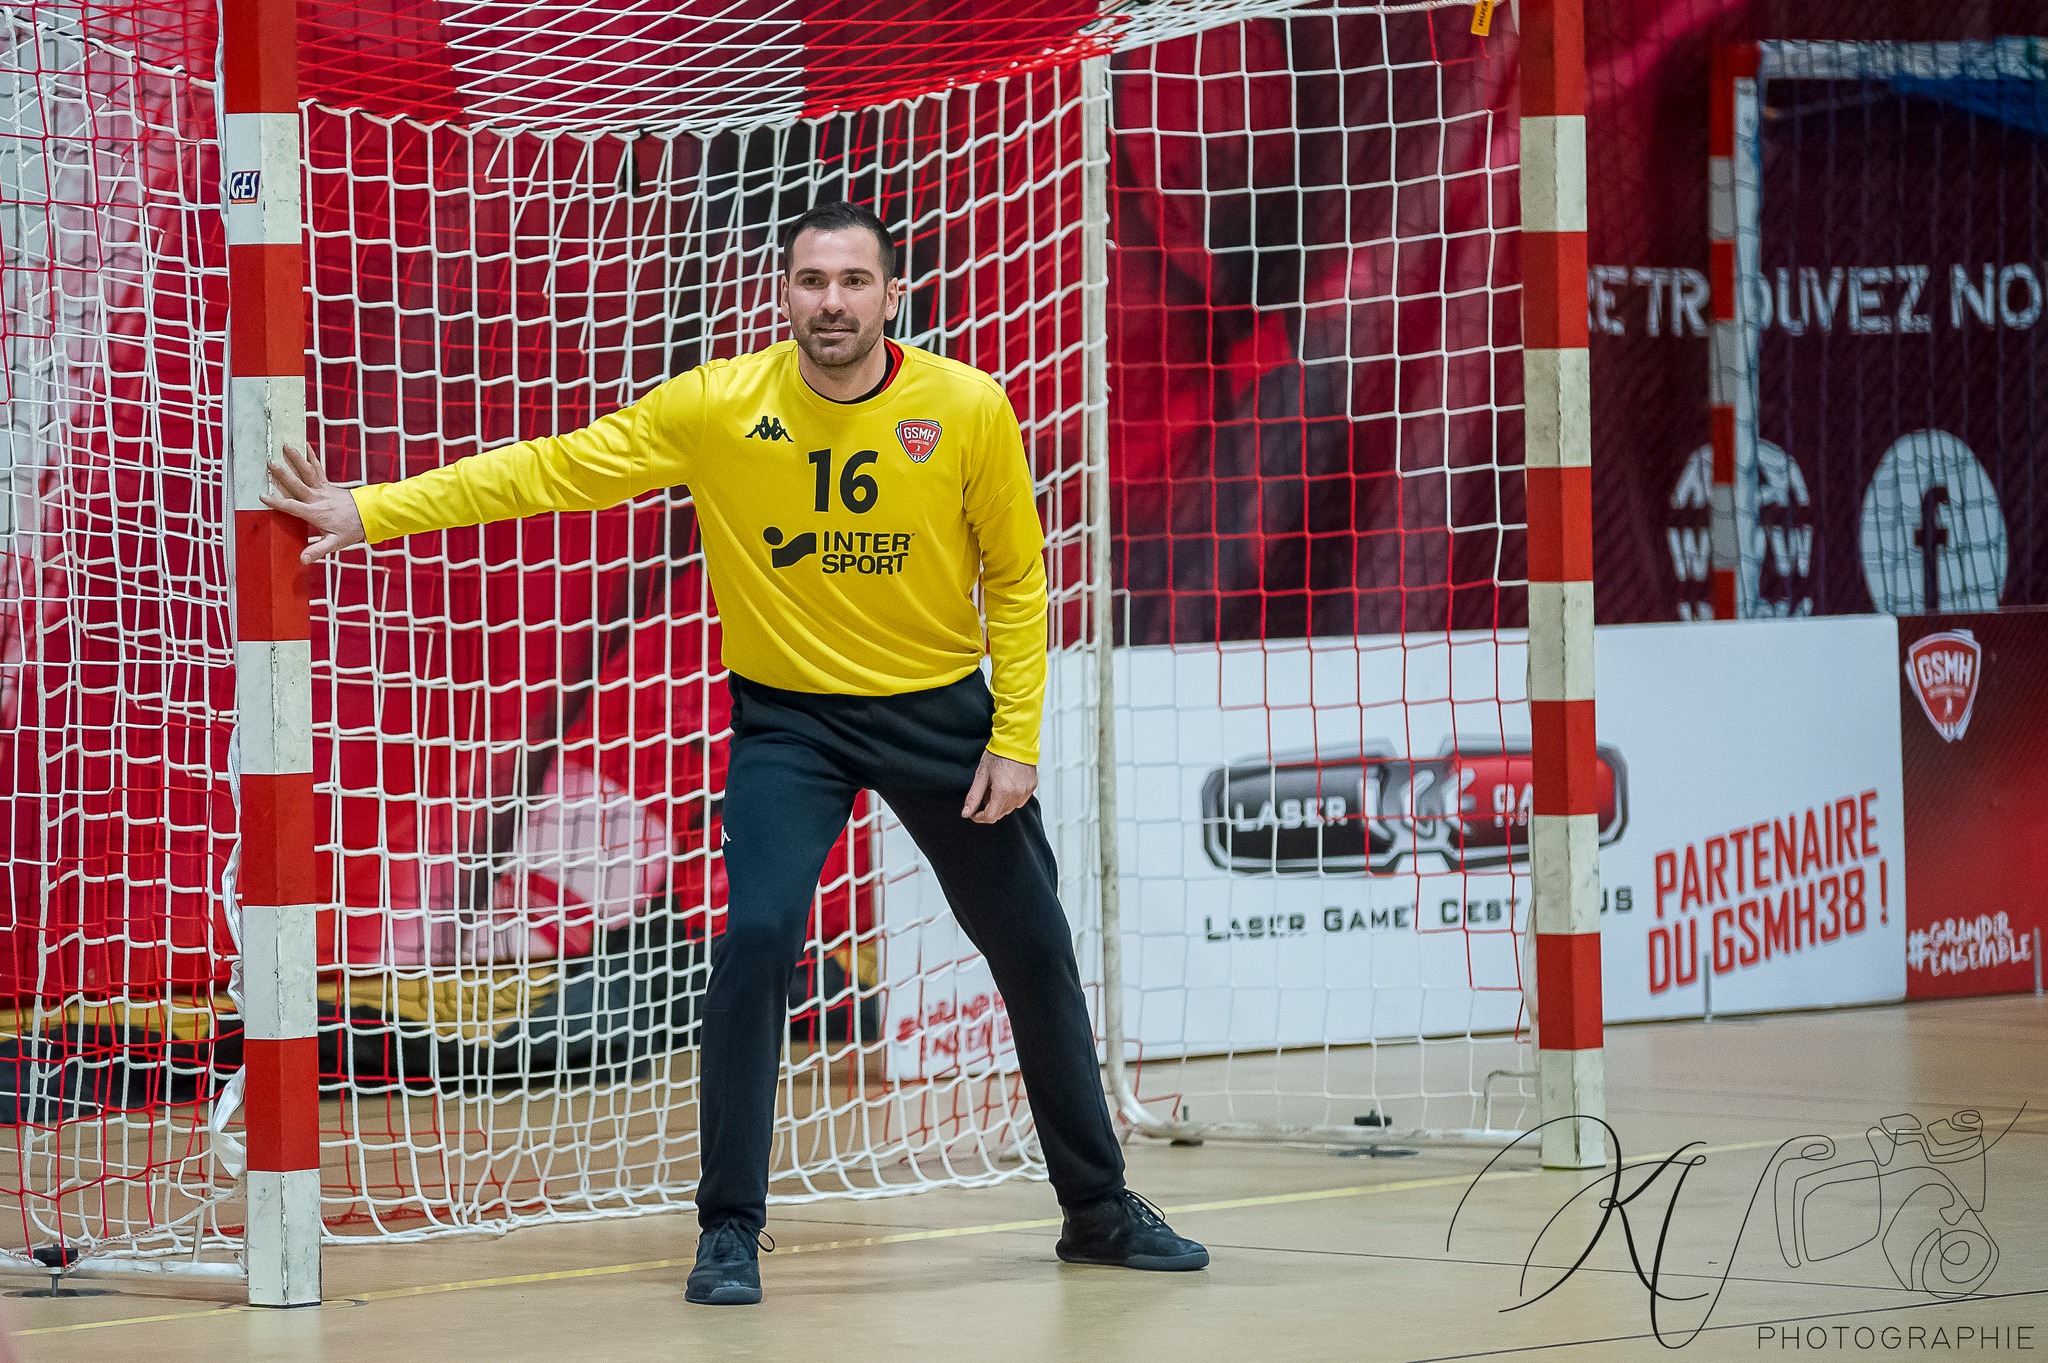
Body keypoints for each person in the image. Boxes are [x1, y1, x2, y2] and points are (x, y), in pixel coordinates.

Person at [264, 200, 1209, 1306]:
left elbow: (1015, 576)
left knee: (1033, 944)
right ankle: (727, 1229)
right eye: (811, 281)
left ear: (891, 295)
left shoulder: (963, 406)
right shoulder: (716, 404)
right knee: (756, 933)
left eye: (854, 281)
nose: (832, 302)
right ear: (782, 295)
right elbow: (553, 469)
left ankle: (1096, 1211)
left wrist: (1014, 737)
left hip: (938, 714)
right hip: (789, 723)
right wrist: (371, 511)